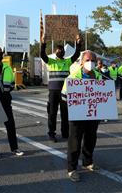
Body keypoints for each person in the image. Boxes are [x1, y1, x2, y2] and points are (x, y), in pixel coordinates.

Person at [61, 50, 101, 182]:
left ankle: (87, 162)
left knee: (91, 138)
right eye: (87, 60)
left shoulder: (99, 77)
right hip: (77, 115)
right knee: (75, 141)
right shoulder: (72, 78)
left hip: (93, 114)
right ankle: (72, 168)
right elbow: (64, 96)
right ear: (82, 62)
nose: (90, 63)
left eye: (93, 60)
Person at [40, 35, 82, 142]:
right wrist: (43, 43)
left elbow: (77, 54)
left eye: (61, 50)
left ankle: (65, 133)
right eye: (58, 50)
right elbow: (42, 55)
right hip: (53, 92)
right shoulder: (50, 61)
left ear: (64, 52)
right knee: (52, 113)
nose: (60, 51)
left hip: (65, 92)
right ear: (55, 52)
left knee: (65, 113)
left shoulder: (68, 61)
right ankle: (51, 134)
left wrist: (78, 43)